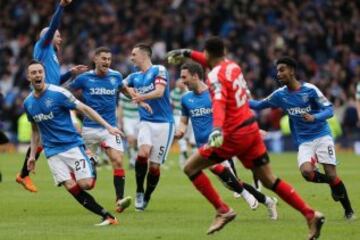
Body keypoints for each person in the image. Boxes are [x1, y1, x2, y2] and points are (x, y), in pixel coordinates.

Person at [167, 37, 325, 239]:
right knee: (269, 180)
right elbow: (211, 60)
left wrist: (216, 128)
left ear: (207, 54)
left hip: (233, 134)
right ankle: (310, 214)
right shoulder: (233, 66)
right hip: (250, 129)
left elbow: (219, 102)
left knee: (190, 167)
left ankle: (222, 210)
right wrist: (188, 53)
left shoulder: (215, 76)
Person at [249, 56, 355, 220]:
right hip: (304, 140)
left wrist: (315, 117)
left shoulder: (310, 90)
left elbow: (329, 110)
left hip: (322, 135)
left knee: (332, 174)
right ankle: (334, 184)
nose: (278, 74)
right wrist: (237, 98)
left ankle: (348, 211)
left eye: (282, 69)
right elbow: (258, 105)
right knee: (307, 172)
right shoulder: (279, 95)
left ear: (292, 71)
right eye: (277, 70)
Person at [175, 61, 278, 219]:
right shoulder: (186, 99)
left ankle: (245, 195)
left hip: (220, 142)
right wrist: (180, 131)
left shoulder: (214, 94)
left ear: (195, 76)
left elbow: (234, 114)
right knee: (231, 183)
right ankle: (267, 201)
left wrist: (254, 130)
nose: (182, 81)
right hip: (202, 145)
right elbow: (183, 121)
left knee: (216, 169)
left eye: (184, 77)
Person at [24, 60, 119, 226]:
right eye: (34, 73)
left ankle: (91, 159)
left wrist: (107, 126)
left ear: (44, 74)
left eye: (40, 71)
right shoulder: (28, 103)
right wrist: (32, 156)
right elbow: (35, 130)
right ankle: (107, 216)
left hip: (71, 145)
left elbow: (85, 109)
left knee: (86, 184)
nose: (37, 75)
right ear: (28, 77)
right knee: (70, 186)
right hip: (52, 151)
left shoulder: (58, 93)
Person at [16, 0, 88, 192]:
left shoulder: (53, 56)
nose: (60, 38)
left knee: (47, 137)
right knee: (70, 129)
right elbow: (53, 26)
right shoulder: (43, 46)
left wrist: (70, 73)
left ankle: (24, 174)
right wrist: (61, 7)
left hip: (53, 97)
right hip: (45, 99)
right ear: (47, 37)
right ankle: (25, 174)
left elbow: (54, 82)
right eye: (58, 35)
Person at [68, 46, 144, 213]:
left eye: (109, 59)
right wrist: (70, 113)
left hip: (110, 129)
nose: (107, 62)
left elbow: (124, 90)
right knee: (87, 184)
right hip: (89, 129)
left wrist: (140, 99)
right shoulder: (84, 79)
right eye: (103, 59)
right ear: (95, 59)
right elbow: (66, 93)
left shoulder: (115, 76)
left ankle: (119, 200)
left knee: (117, 159)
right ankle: (84, 170)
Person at [124, 43, 175, 211]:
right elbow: (120, 85)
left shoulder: (159, 70)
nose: (131, 57)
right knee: (142, 153)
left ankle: (147, 195)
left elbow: (159, 92)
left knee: (154, 167)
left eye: (134, 54)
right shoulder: (134, 76)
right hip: (146, 122)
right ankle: (139, 190)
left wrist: (140, 98)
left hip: (164, 124)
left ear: (144, 55)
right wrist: (129, 92)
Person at [170, 79, 196, 168]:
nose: (179, 85)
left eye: (181, 83)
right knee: (182, 136)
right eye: (178, 84)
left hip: (186, 116)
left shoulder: (188, 92)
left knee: (185, 138)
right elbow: (171, 104)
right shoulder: (174, 93)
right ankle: (186, 154)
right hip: (179, 115)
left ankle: (187, 154)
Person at [118, 93, 139, 169]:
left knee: (136, 141)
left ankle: (135, 158)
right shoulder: (123, 94)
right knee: (130, 139)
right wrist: (120, 121)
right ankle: (132, 161)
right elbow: (120, 107)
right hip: (127, 118)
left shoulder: (140, 89)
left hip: (138, 118)